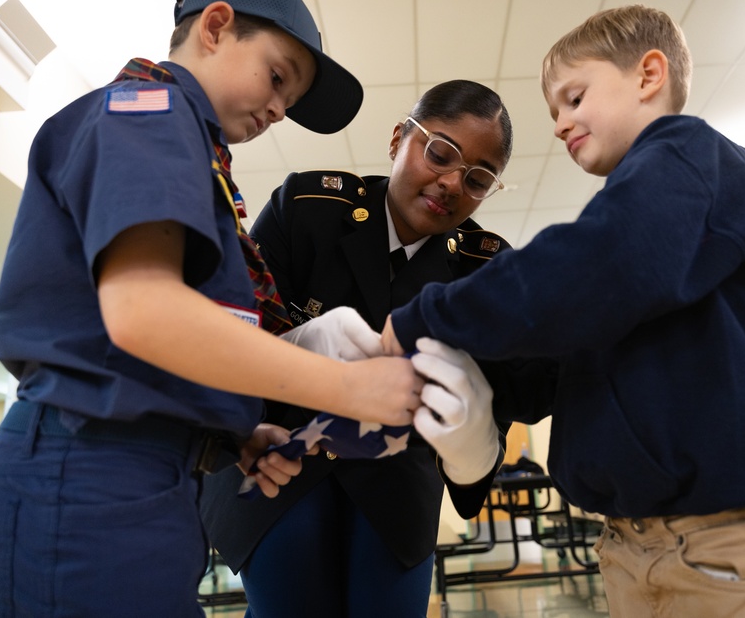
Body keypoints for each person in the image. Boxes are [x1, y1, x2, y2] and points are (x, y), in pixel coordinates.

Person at [0, 0, 423, 617]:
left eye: (289, 103)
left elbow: (155, 345)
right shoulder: (149, 113)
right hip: (87, 468)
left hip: (153, 470)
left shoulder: (188, 148)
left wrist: (234, 431)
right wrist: (347, 387)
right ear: (216, 26)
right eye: (277, 77)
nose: (277, 109)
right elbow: (144, 313)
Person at [383, 5, 745, 617]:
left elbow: (585, 267)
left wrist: (423, 318)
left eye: (573, 98)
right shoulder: (656, 213)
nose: (560, 123)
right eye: (554, 111)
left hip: (722, 548)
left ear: (649, 74)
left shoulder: (685, 156)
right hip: (640, 542)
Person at [200, 79, 557, 617]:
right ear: (398, 139)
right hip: (280, 460)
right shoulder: (308, 208)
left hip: (396, 489)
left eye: (479, 179)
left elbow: (502, 400)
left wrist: (473, 436)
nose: (452, 183)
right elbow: (234, 329)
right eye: (441, 153)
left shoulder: (484, 269)